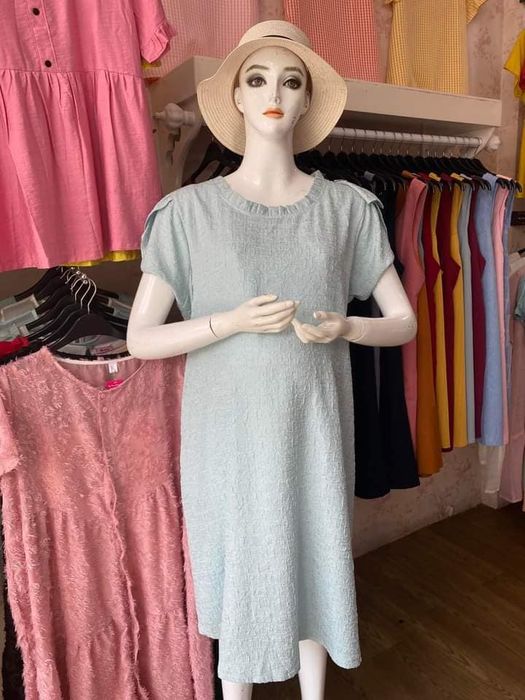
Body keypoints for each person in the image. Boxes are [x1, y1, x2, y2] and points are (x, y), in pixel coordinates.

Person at [127, 20, 416, 700]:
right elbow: (140, 338)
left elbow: (403, 322)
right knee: (241, 573)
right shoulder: (187, 213)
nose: (273, 94)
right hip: (225, 438)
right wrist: (227, 321)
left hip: (313, 430)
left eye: (290, 81)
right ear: (234, 95)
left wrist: (348, 325)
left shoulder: (347, 209)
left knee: (315, 560)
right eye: (256, 79)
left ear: (307, 99)